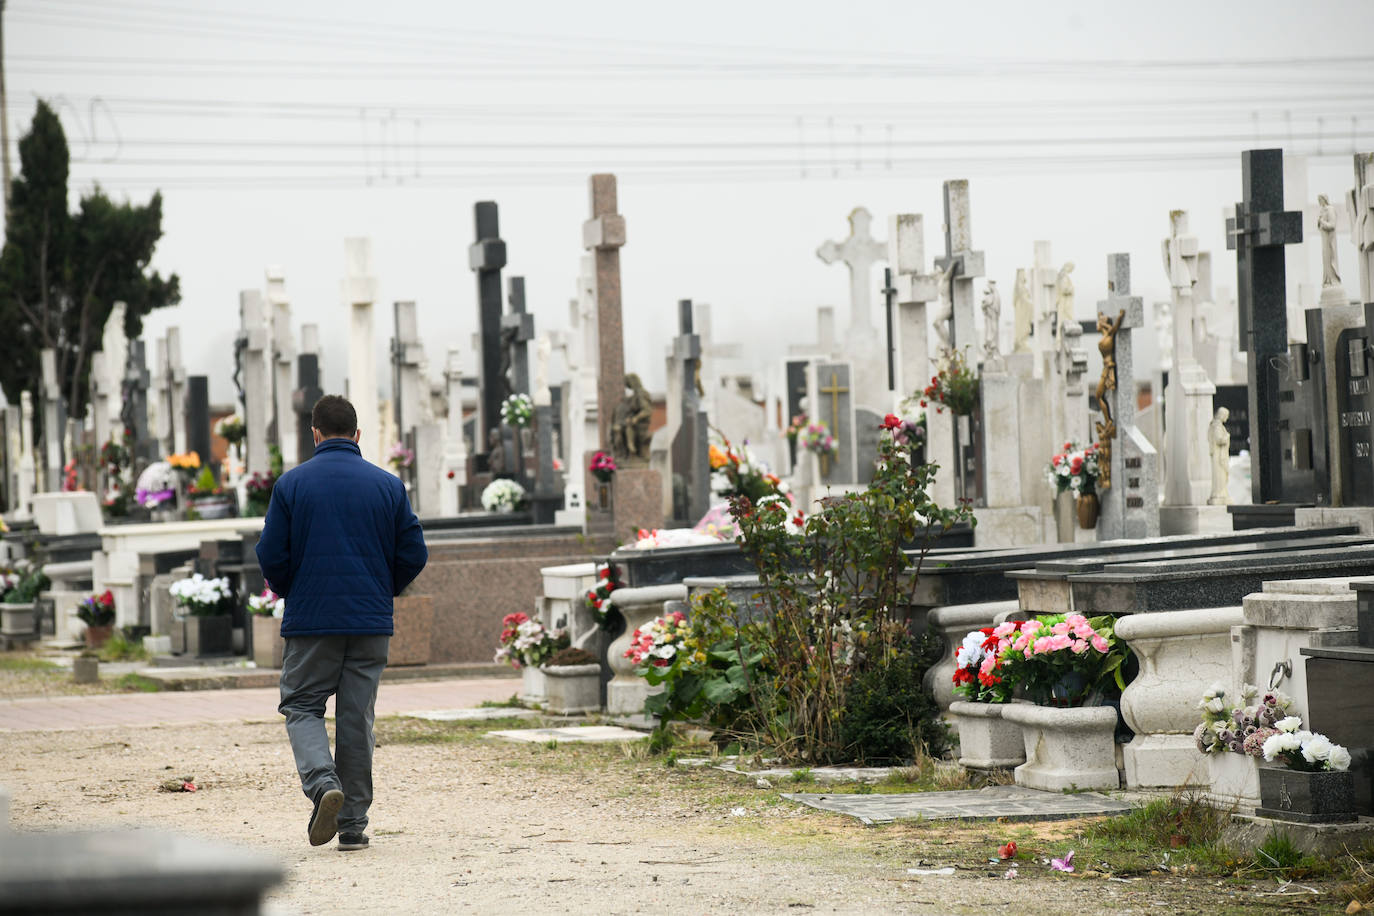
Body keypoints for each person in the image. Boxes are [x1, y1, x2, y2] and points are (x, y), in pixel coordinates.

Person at [256, 394, 428, 852]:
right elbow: (414, 553)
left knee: (302, 704)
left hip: (313, 620)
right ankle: (352, 823)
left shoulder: (291, 485)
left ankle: (321, 785)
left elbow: (270, 554)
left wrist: (294, 587)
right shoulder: (388, 485)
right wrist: (379, 588)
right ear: (357, 434)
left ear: (314, 433)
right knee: (357, 717)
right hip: (370, 621)